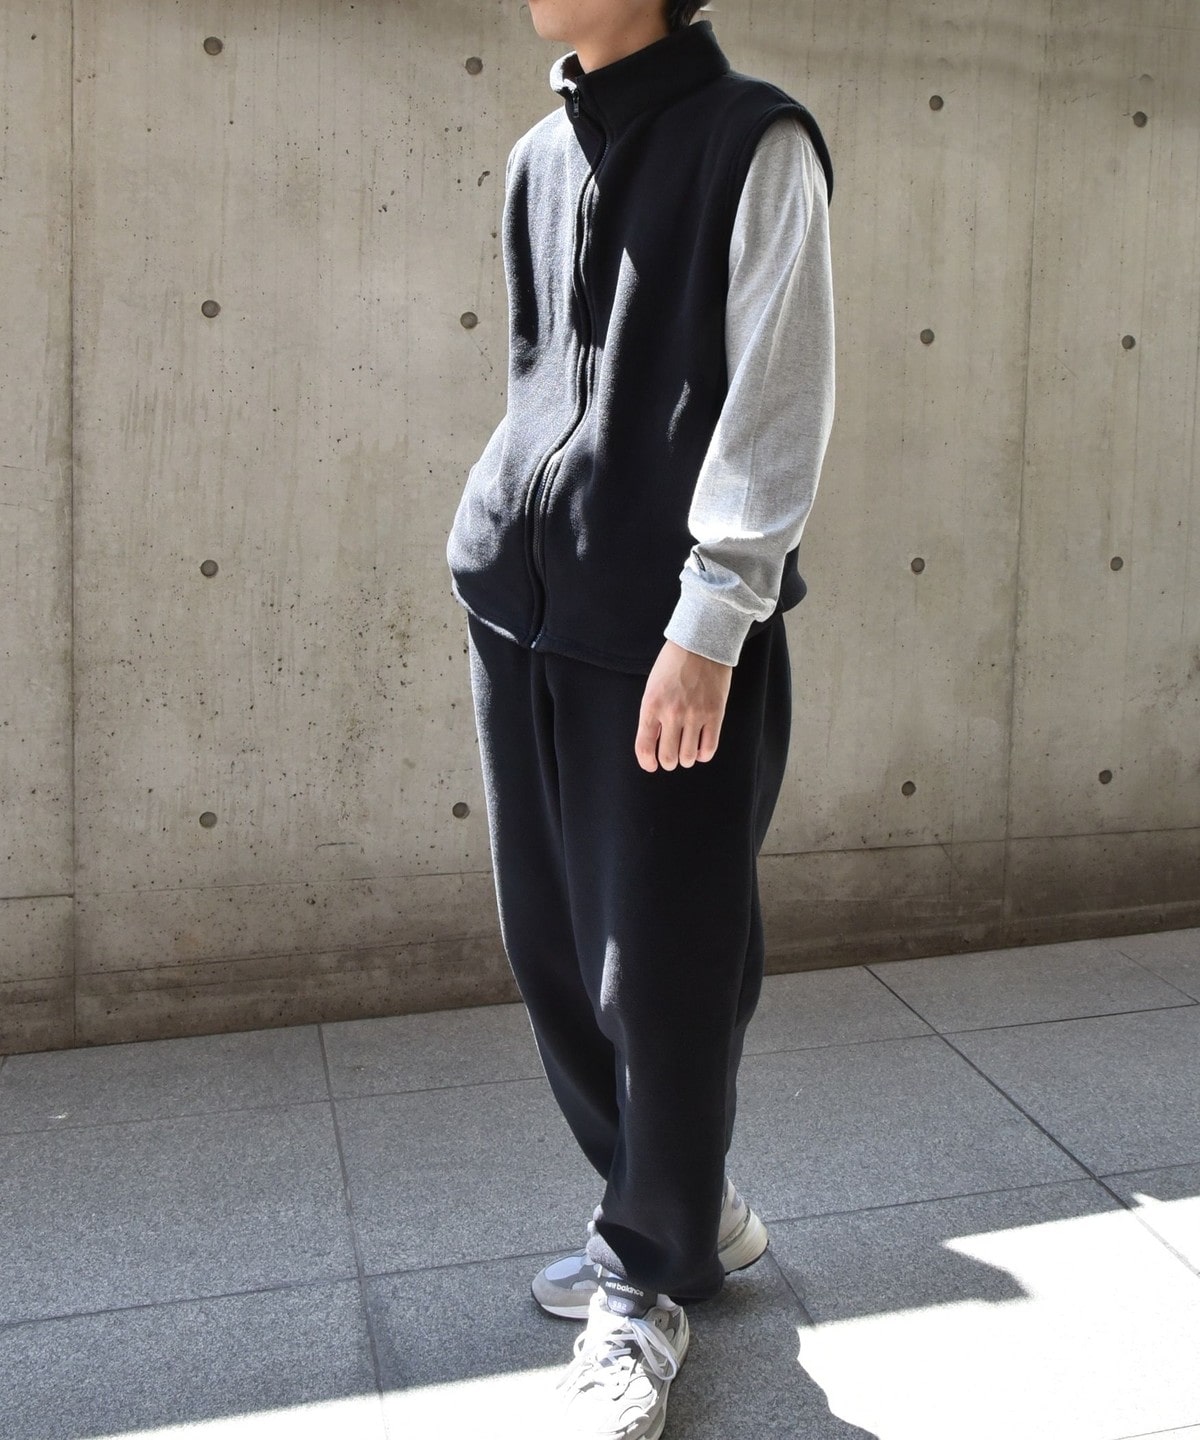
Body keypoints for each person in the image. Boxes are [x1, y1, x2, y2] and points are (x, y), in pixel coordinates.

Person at [446, 2, 834, 1434]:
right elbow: (541, 382)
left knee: (662, 970)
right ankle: (685, 1203)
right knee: (552, 949)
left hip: (667, 634)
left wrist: (712, 620)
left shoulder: (756, 142)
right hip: (519, 604)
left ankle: (644, 1278)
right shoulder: (538, 158)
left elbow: (777, 399)